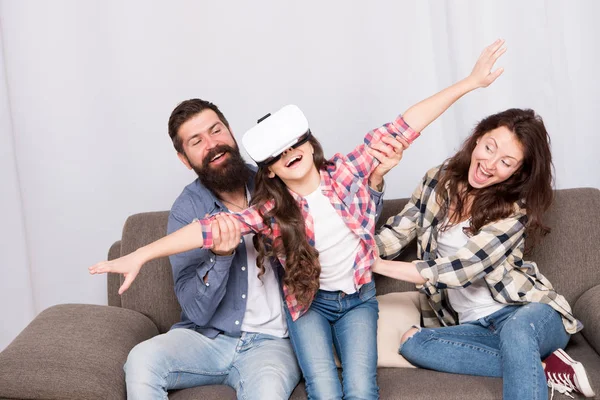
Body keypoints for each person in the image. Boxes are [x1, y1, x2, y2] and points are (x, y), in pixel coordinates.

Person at [90, 39, 506, 399]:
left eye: (296, 143)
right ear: (268, 169)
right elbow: (199, 235)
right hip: (274, 317)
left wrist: (470, 83)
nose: (290, 152)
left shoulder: (341, 173)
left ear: (309, 142)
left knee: (358, 389)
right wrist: (139, 255)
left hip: (338, 310)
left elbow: (403, 126)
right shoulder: (269, 208)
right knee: (320, 390)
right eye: (277, 153)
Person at [91, 98, 399, 399]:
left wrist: (375, 182)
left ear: (232, 133)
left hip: (273, 343)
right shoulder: (186, 211)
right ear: (184, 159)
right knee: (142, 360)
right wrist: (220, 257)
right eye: (196, 141)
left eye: (216, 130)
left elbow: (343, 213)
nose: (212, 144)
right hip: (208, 339)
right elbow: (196, 311)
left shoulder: (278, 179)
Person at [373, 108, 596, 399]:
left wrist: (374, 265)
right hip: (474, 327)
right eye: (489, 147)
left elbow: (459, 269)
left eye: (506, 162)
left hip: (528, 314)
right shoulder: (438, 180)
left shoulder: (514, 211)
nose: (489, 164)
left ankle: (527, 357)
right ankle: (541, 366)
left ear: (518, 172)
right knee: (413, 344)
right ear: (477, 138)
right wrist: (351, 251)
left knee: (517, 330)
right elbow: (398, 231)